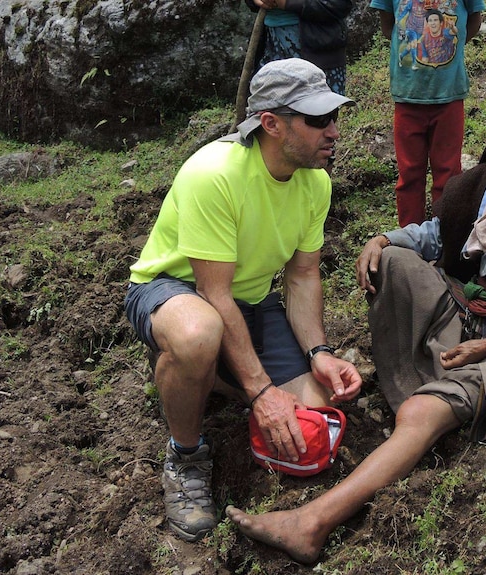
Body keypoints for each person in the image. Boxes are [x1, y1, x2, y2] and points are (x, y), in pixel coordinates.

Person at [225, 75, 486, 563]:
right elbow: (442, 235)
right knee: (392, 262)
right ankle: (425, 381)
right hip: (463, 314)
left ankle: (313, 521)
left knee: (420, 415)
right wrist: (386, 240)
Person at [124, 58, 363, 543]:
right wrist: (261, 393)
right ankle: (185, 454)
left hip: (249, 300)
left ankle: (206, 377)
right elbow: (213, 294)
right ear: (271, 124)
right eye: (317, 120)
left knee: (315, 409)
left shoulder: (314, 181)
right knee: (198, 334)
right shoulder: (214, 173)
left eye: (334, 116)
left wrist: (320, 354)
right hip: (176, 291)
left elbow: (301, 277)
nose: (333, 131)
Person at [371, 0, 484, 227]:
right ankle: (411, 239)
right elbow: (388, 27)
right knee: (409, 174)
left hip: (448, 95)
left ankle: (444, 238)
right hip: (408, 96)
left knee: (449, 173)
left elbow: (473, 22)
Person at [245, 0, 352, 96]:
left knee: (318, 111)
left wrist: (289, 3)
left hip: (318, 49)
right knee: (276, 109)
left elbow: (339, 4)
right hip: (272, 45)